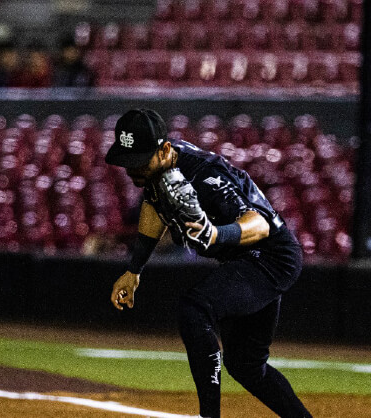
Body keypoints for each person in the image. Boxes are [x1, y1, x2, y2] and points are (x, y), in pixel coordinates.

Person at [105, 109, 311, 418]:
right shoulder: (159, 166)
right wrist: (134, 269)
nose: (132, 169)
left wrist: (217, 234)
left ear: (163, 151)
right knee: (246, 365)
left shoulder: (205, 175)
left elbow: (261, 224)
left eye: (139, 160)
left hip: (269, 257)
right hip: (244, 259)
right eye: (127, 160)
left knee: (195, 308)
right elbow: (153, 203)